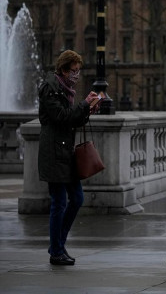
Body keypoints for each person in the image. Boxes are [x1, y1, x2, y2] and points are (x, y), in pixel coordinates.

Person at [38, 50, 100, 265]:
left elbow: (72, 121)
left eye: (78, 71)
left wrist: (87, 109)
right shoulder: (50, 89)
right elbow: (62, 117)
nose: (76, 75)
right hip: (54, 154)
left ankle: (58, 245)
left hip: (65, 152)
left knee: (77, 199)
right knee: (59, 202)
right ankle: (56, 251)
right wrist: (83, 105)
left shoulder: (65, 89)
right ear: (63, 69)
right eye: (73, 71)